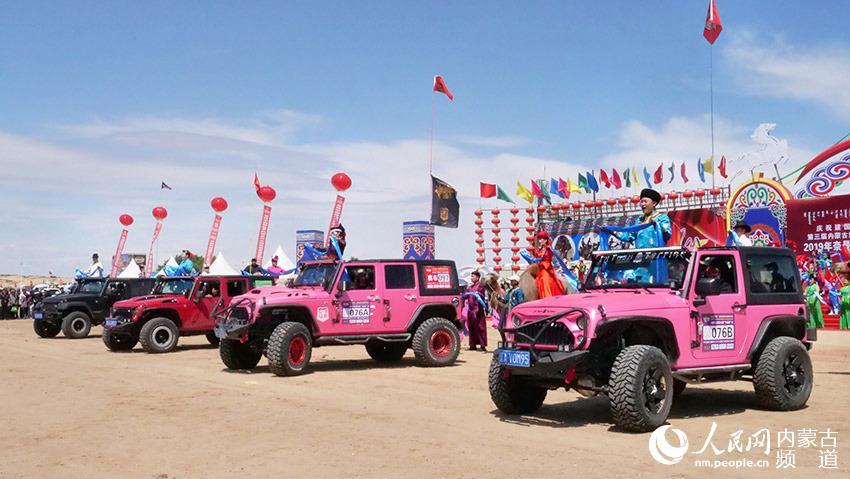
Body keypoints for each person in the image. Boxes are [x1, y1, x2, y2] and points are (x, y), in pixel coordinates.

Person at [532, 231, 563, 299]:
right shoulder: (539, 250)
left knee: (544, 280)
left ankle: (547, 297)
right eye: (539, 239)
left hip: (546, 269)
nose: (539, 241)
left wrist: (547, 248)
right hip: (540, 268)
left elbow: (552, 254)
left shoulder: (548, 249)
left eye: (541, 239)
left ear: (545, 240)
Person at [465, 271, 488, 351]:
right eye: (471, 276)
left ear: (478, 277)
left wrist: (478, 309)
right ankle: (472, 345)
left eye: (473, 276)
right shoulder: (470, 287)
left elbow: (481, 297)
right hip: (471, 311)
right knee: (471, 328)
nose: (471, 278)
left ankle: (482, 346)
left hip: (478, 310)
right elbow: (465, 296)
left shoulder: (480, 286)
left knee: (480, 328)